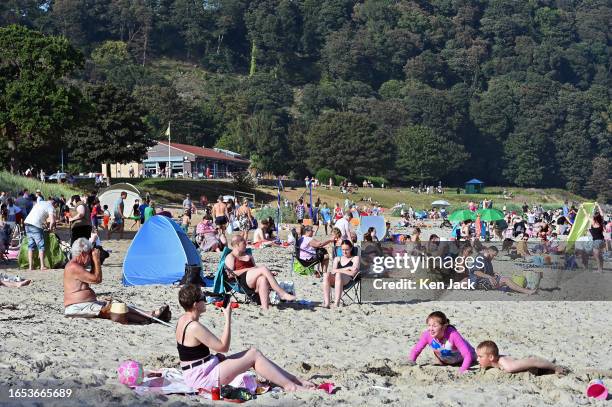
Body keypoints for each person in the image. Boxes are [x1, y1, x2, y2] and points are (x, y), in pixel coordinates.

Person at [176, 284, 314, 391]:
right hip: (202, 378)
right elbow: (224, 347)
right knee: (253, 355)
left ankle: (295, 380)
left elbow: (191, 355)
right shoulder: (194, 326)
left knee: (254, 353)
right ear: (195, 305)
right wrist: (227, 318)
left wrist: (215, 358)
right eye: (203, 298)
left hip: (197, 371)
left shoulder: (183, 320)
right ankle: (291, 386)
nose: (205, 301)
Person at [64, 238, 171, 323]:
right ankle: (148, 318)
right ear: (83, 254)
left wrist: (94, 262)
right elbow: (97, 279)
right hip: (78, 307)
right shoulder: (74, 267)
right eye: (89, 254)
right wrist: (96, 260)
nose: (90, 257)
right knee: (116, 309)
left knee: (119, 304)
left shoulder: (76, 266)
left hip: (86, 303)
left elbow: (92, 277)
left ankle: (150, 314)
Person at [224, 235, 295, 310]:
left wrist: (268, 273)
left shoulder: (249, 256)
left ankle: (265, 308)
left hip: (252, 281)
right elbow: (230, 275)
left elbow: (256, 270)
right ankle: (282, 293)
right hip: (241, 282)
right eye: (244, 243)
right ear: (236, 245)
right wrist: (249, 269)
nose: (246, 245)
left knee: (263, 278)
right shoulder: (230, 257)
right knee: (263, 268)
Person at [406, 311, 475, 373]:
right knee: (437, 347)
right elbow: (416, 350)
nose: (431, 329)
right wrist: (411, 361)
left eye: (434, 326)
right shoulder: (427, 335)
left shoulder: (453, 334)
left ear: (444, 327)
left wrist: (462, 370)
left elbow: (467, 355)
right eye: (429, 325)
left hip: (467, 358)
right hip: (446, 360)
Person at [468, 246, 536, 294]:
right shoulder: (480, 258)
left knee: (507, 280)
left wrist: (494, 274)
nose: (493, 257)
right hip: (479, 283)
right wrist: (489, 277)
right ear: (488, 251)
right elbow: (476, 272)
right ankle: (526, 291)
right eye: (493, 255)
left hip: (484, 281)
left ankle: (521, 290)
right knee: (506, 280)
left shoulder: (487, 260)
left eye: (494, 256)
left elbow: (486, 271)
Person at [476, 341, 567, 374]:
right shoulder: (495, 361)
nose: (477, 359)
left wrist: (555, 367)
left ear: (491, 357)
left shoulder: (508, 366)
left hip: (537, 366)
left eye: (480, 357)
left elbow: (533, 361)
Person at [322, 239, 359, 308]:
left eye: (346, 249)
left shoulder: (355, 258)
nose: (344, 251)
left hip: (348, 280)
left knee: (338, 274)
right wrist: (347, 268)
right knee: (325, 274)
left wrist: (338, 270)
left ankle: (336, 303)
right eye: (342, 249)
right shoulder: (337, 258)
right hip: (336, 280)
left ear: (351, 248)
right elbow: (333, 271)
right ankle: (327, 303)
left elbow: (353, 273)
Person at [24, 197, 57, 271]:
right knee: (41, 246)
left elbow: (39, 214)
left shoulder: (40, 202)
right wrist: (50, 229)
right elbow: (52, 221)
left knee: (31, 245)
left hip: (27, 223)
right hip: (36, 225)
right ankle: (42, 266)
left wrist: (44, 224)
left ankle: (30, 266)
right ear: (54, 204)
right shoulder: (50, 207)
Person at [590, 206, 605, 273]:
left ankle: (599, 270)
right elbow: (602, 214)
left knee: (596, 256)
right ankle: (601, 269)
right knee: (600, 256)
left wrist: (583, 208)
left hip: (596, 241)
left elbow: (587, 216)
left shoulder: (593, 223)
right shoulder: (601, 222)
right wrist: (598, 205)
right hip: (602, 241)